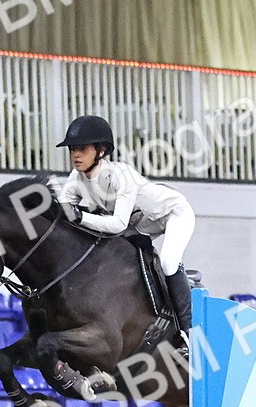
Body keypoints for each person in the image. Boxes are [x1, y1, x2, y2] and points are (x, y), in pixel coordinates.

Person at [56, 115, 196, 340]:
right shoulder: (76, 178)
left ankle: (190, 330)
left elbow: (117, 223)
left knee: (169, 261)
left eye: (82, 148)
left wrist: (81, 217)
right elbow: (63, 207)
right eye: (72, 149)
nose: (75, 155)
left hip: (174, 214)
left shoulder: (121, 176)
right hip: (140, 224)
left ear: (101, 151)